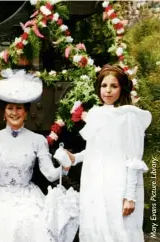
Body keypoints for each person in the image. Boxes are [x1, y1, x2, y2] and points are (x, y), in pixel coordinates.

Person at [0, 69, 70, 242]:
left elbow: (49, 174)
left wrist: (64, 167)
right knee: (7, 224)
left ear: (26, 112)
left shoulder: (38, 140)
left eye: (19, 108)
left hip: (28, 196)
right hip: (0, 196)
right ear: (4, 112)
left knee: (32, 221)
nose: (14, 113)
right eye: (10, 108)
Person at [67, 65, 152, 242]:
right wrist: (75, 158)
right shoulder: (96, 114)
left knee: (118, 230)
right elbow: (95, 149)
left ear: (122, 88)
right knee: (95, 228)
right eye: (104, 86)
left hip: (117, 181)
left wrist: (129, 196)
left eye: (114, 86)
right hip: (95, 180)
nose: (108, 91)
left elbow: (133, 158)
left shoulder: (129, 116)